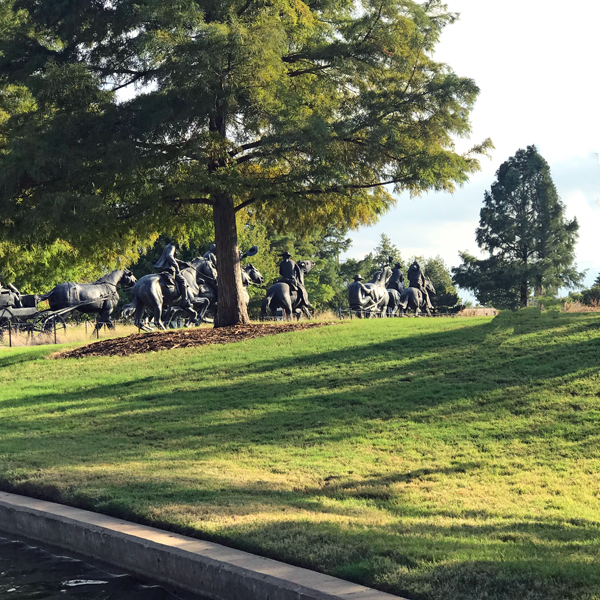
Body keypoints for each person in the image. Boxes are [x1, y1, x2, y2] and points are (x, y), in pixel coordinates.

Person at [153, 243, 195, 311]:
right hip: (170, 268)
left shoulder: (168, 246)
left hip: (164, 267)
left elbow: (174, 258)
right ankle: (185, 300)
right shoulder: (172, 246)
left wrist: (183, 263)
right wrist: (176, 266)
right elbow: (169, 256)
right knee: (183, 281)